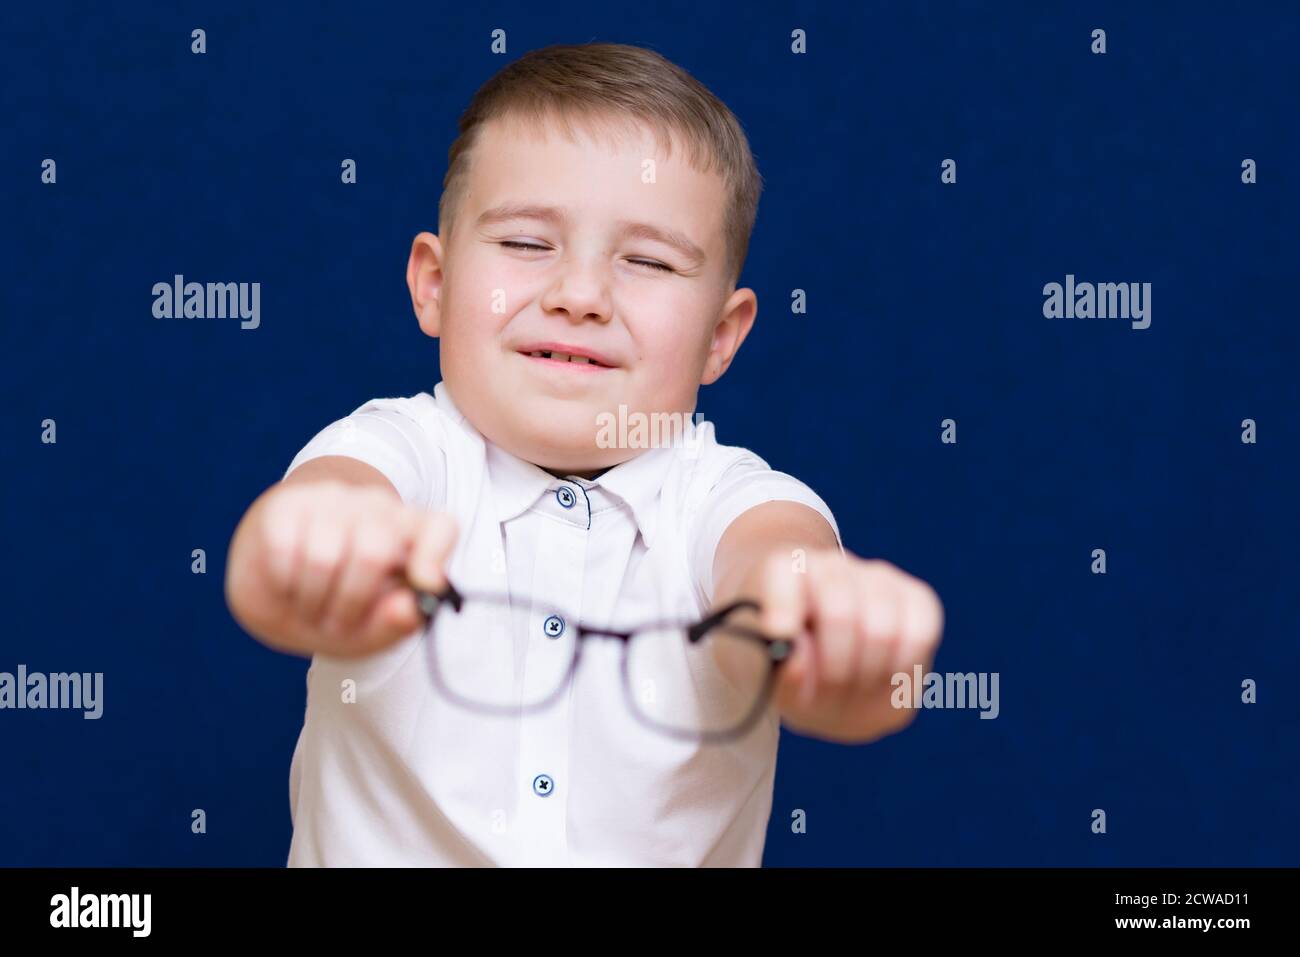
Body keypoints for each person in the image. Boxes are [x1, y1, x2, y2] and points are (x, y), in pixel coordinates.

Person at [224, 42, 943, 866]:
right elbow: (299, 533)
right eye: (528, 244)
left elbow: (778, 563)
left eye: (647, 260)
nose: (580, 295)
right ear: (434, 283)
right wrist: (318, 546)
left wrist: (827, 625)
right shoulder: (392, 453)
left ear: (720, 337)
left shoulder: (729, 500)